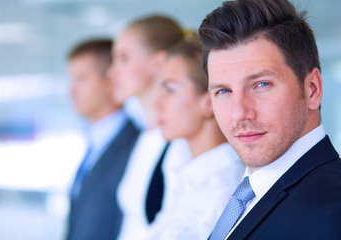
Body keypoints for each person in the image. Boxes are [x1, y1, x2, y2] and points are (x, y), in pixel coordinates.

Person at [198, 0, 341, 239]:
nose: (239, 113)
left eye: (261, 85)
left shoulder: (333, 212)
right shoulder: (247, 193)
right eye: (223, 91)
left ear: (312, 89)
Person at [147, 37, 244, 240]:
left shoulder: (223, 193)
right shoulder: (182, 178)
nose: (157, 103)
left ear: (209, 102)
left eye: (170, 90)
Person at [108, 15, 192, 240]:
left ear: (158, 63)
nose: (112, 72)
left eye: (123, 59)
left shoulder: (181, 143)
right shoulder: (146, 137)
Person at [67, 39, 139, 240]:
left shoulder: (137, 146)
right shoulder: (95, 144)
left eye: (81, 79)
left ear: (111, 80)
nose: (71, 90)